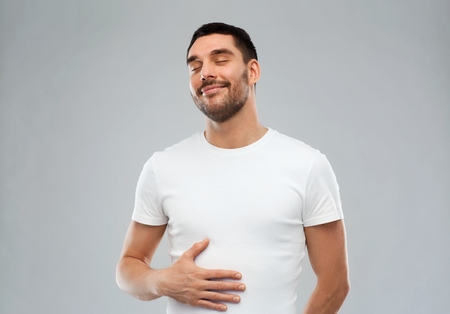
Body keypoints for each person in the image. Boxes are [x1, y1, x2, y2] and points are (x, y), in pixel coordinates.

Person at [116, 22, 350, 313]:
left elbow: (335, 283)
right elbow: (128, 269)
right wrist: (163, 281)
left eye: (221, 60)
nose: (205, 72)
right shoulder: (162, 167)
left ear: (252, 71)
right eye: (195, 66)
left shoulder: (307, 165)